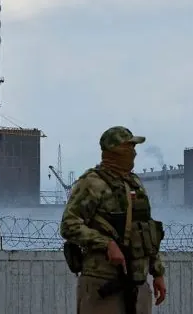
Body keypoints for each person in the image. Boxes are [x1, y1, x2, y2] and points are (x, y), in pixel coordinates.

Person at [60, 126, 167, 314]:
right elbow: (69, 225)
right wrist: (106, 243)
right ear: (113, 150)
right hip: (103, 281)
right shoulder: (92, 183)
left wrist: (157, 272)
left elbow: (146, 231)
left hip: (137, 282)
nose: (133, 153)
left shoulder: (134, 183)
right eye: (128, 147)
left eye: (134, 148)